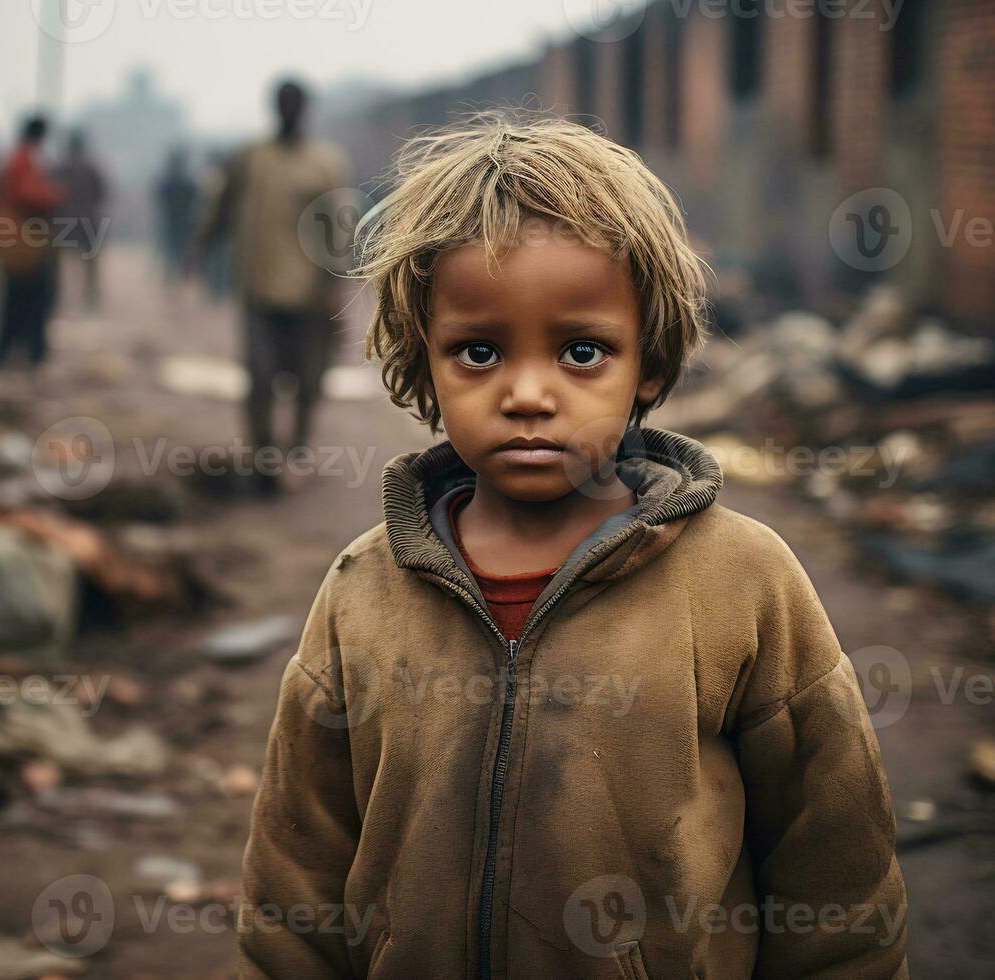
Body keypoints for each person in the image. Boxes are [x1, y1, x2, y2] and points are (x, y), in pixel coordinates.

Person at [238, 115, 909, 978]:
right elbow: (294, 886)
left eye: (582, 351)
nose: (526, 394)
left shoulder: (744, 583)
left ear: (651, 364)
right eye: (478, 350)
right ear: (424, 361)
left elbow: (840, 881)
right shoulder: (364, 590)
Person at [193, 79, 348, 492]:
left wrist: (336, 284)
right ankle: (263, 455)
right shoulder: (251, 158)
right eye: (284, 104)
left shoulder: (325, 163)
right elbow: (222, 207)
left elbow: (338, 227)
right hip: (259, 287)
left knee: (307, 378)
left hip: (309, 293)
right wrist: (201, 246)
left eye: (296, 104)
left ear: (306, 109)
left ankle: (296, 449)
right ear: (274, 108)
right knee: (260, 376)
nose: (290, 112)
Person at [0, 115, 63, 368]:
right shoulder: (23, 160)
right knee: (26, 298)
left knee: (18, 298)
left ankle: (13, 353)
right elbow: (28, 194)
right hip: (22, 244)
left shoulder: (19, 158)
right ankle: (25, 353)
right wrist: (53, 195)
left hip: (21, 241)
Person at [55, 130, 108, 310]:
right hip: (88, 220)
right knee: (90, 263)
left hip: (65, 221)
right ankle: (90, 298)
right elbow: (102, 193)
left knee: (61, 263)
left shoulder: (60, 168)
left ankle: (61, 299)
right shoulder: (91, 168)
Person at [154, 146, 197, 281]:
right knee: (178, 251)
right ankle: (178, 277)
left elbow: (159, 198)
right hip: (181, 222)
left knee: (172, 252)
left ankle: (173, 277)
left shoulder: (167, 182)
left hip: (172, 221)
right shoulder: (187, 182)